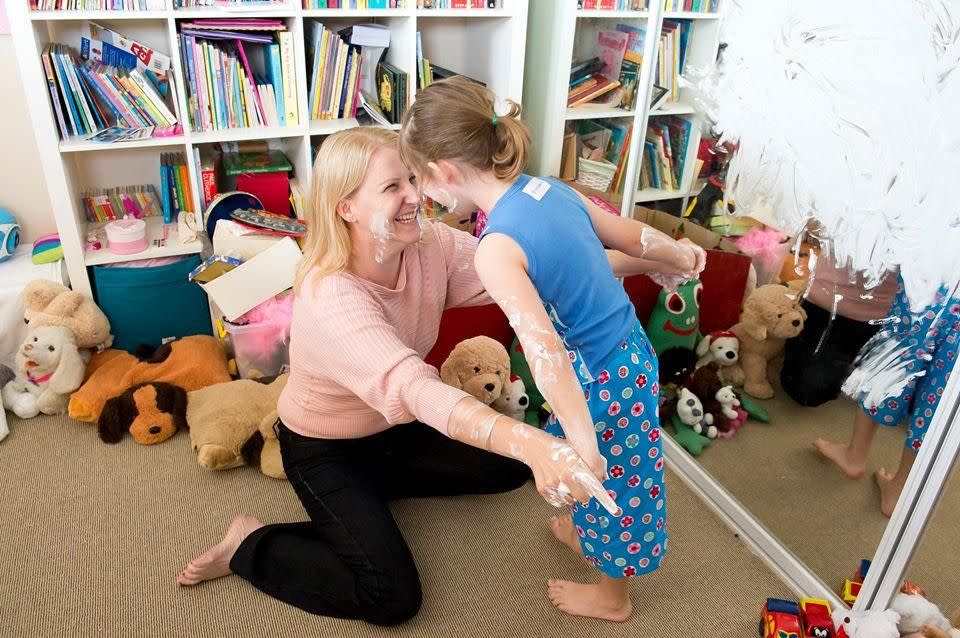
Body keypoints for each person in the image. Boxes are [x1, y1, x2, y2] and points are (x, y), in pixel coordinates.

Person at [177, 127, 617, 626]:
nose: (415, 196)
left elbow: (529, 268)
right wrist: (539, 447)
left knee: (509, 467)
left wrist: (651, 255)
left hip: (393, 432)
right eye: (392, 187)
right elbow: (414, 387)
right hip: (326, 449)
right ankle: (249, 543)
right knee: (391, 596)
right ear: (346, 208)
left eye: (412, 178)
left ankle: (374, 494)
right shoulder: (331, 296)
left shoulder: (428, 242)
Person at [398, 76, 706, 622]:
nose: (422, 196)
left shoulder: (496, 248)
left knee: (613, 476)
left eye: (420, 181)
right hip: (628, 353)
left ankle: (614, 597)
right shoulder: (548, 190)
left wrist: (583, 442)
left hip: (597, 377)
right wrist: (673, 256)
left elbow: (545, 354)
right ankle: (583, 528)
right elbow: (621, 241)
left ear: (443, 172)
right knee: (604, 458)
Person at [814, 278, 959, 516]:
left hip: (935, 276)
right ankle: (899, 489)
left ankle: (855, 455)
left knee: (894, 356)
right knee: (940, 392)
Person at [780, 252, 897, 407]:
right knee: (804, 389)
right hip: (824, 300)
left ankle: (850, 363)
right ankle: (845, 364)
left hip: (876, 316)